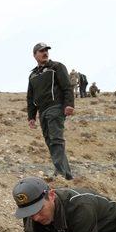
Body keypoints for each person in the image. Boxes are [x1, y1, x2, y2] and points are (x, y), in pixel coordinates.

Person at [27, 43, 75, 180]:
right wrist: (31, 116)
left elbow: (67, 86)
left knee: (56, 140)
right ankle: (67, 175)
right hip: (42, 111)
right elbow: (30, 97)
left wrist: (69, 104)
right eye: (41, 51)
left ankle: (60, 173)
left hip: (56, 108)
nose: (45, 53)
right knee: (50, 141)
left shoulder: (57, 67)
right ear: (35, 55)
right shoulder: (33, 76)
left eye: (46, 50)